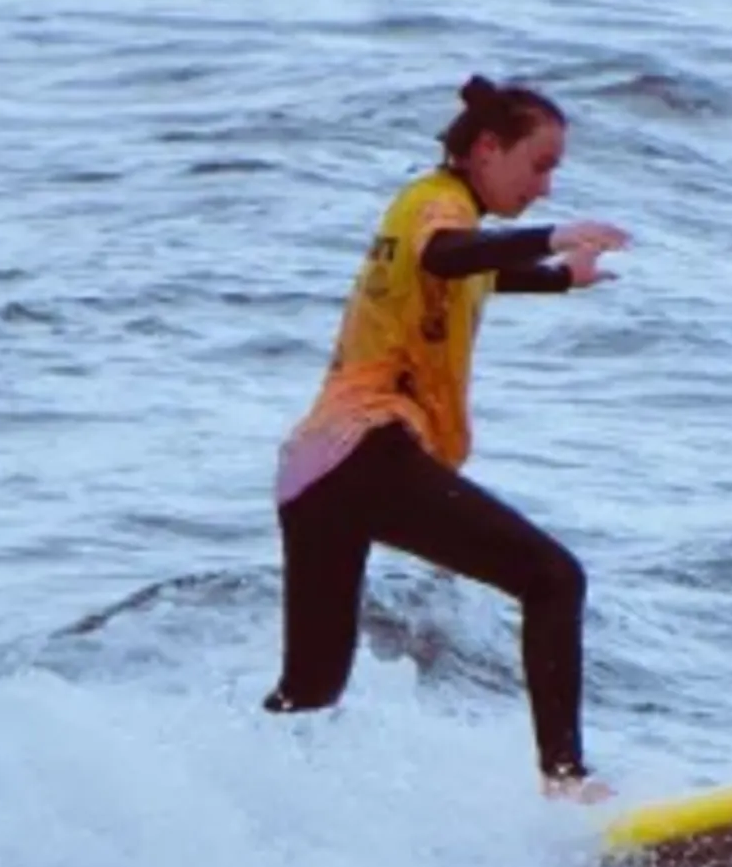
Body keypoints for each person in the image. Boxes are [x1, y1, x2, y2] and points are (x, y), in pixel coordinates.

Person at [264, 74, 630, 795]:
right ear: (488, 150)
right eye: (539, 165)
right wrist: (551, 238)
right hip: (367, 448)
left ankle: (227, 799)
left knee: (309, 692)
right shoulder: (438, 206)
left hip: (313, 473)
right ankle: (565, 782)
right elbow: (449, 257)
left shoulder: (432, 213)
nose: (545, 187)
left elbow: (468, 274)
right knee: (553, 578)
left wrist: (561, 277)